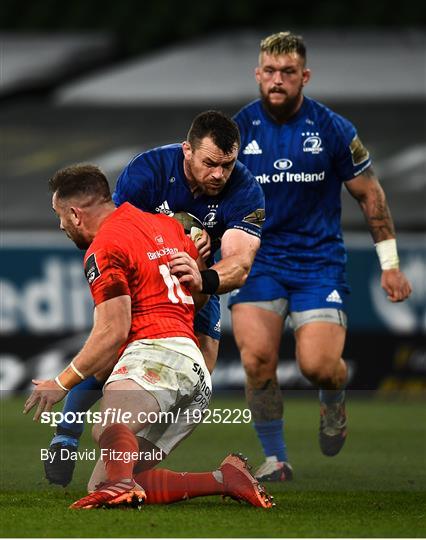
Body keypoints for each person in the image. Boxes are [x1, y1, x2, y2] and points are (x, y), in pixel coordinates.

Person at [24, 164, 272, 509]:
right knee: (102, 481)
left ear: (75, 214)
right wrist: (199, 271)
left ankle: (121, 481)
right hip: (194, 375)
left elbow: (113, 332)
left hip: (154, 357)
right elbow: (197, 299)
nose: (61, 225)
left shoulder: (105, 246)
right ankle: (224, 479)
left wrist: (61, 383)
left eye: (60, 216)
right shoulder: (168, 225)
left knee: (107, 428)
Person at [228, 31, 412, 482]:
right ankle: (276, 458)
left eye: (287, 73)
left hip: (317, 263)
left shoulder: (332, 129)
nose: (277, 80)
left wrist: (389, 264)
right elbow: (215, 189)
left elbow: (370, 196)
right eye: (269, 72)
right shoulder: (239, 129)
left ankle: (334, 398)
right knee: (256, 361)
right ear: (257, 75)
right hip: (259, 260)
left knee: (318, 367)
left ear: (304, 76)